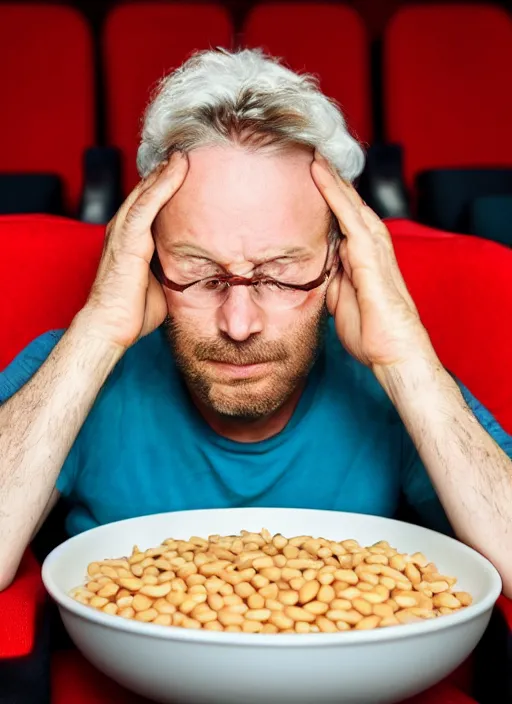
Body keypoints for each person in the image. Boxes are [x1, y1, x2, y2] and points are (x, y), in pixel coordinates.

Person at [0, 49, 511, 596]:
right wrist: (98, 330)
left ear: (338, 260)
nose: (239, 325)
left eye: (279, 275)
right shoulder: (69, 368)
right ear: (148, 259)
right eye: (200, 274)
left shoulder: (394, 380)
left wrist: (406, 358)